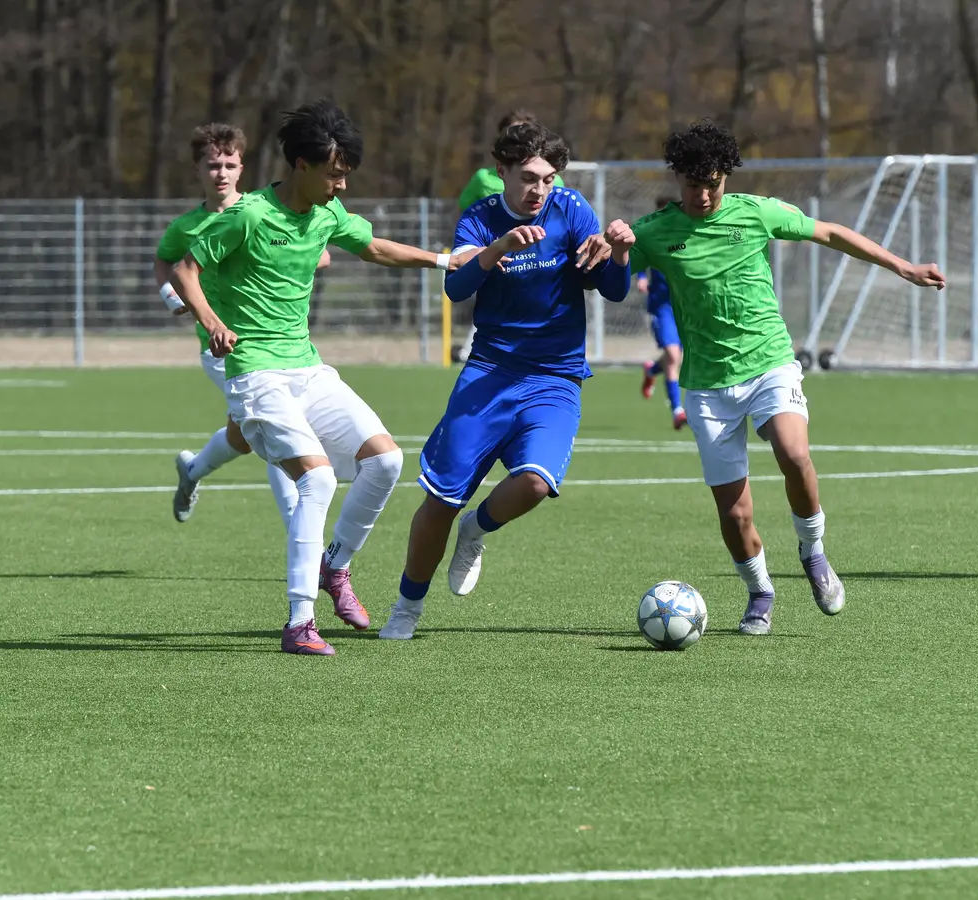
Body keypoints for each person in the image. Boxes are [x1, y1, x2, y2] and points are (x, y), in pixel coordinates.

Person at [170, 99, 475, 656]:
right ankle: (299, 622)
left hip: (307, 369)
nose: (340, 184)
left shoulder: (328, 213)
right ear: (300, 166)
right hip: (254, 373)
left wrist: (443, 261)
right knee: (317, 478)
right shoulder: (249, 215)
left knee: (385, 460)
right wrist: (211, 321)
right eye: (333, 172)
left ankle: (336, 567)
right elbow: (184, 267)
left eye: (345, 174)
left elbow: (375, 247)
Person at [628, 120, 945, 635]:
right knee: (735, 514)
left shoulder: (756, 213)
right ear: (678, 180)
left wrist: (901, 266)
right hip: (707, 385)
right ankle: (760, 593)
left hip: (769, 362)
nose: (704, 194)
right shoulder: (655, 231)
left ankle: (814, 553)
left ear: (725, 177)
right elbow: (610, 282)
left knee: (794, 453)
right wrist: (618, 246)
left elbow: (831, 233)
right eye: (693, 185)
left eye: (713, 183)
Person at [379, 122, 634, 641]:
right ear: (501, 172)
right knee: (440, 503)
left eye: (547, 178)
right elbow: (456, 286)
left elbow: (612, 290)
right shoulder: (479, 219)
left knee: (538, 482)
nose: (539, 189)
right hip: (489, 373)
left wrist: (617, 252)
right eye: (528, 177)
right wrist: (497, 249)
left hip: (556, 376)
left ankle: (479, 528)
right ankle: (407, 607)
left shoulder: (571, 209)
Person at [159, 124, 333, 528]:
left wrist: (294, 257)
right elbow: (167, 261)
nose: (221, 172)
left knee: (241, 438)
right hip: (222, 348)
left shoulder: (261, 210)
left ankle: (193, 470)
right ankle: (299, 529)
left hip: (277, 343)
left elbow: (319, 254)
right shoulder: (185, 226)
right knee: (279, 427)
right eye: (212, 165)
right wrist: (170, 295)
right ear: (198, 170)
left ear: (241, 168)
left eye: (229, 164)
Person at [453, 109, 567, 362]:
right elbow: (467, 209)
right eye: (512, 132)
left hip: (537, 250)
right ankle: (477, 353)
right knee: (495, 302)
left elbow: (559, 213)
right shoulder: (484, 177)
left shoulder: (553, 183)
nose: (538, 189)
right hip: (497, 251)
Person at [635, 195, 687, 429]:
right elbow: (640, 257)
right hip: (661, 306)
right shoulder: (651, 232)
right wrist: (643, 278)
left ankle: (652, 369)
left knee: (677, 358)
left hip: (685, 306)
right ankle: (677, 410)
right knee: (674, 356)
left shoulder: (685, 232)